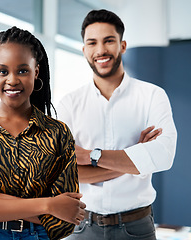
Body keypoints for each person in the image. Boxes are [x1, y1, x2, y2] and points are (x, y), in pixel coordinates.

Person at [0, 26, 86, 240]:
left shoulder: (57, 133)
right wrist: (48, 204)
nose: (12, 80)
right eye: (3, 71)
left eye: (22, 70)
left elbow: (65, 218)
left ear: (35, 72)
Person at [57, 9, 177, 240]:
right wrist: (136, 158)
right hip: (81, 227)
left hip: (136, 227)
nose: (100, 50)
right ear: (84, 50)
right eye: (92, 43)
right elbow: (64, 172)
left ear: (122, 45)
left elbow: (163, 156)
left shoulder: (152, 96)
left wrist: (90, 156)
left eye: (108, 41)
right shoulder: (69, 104)